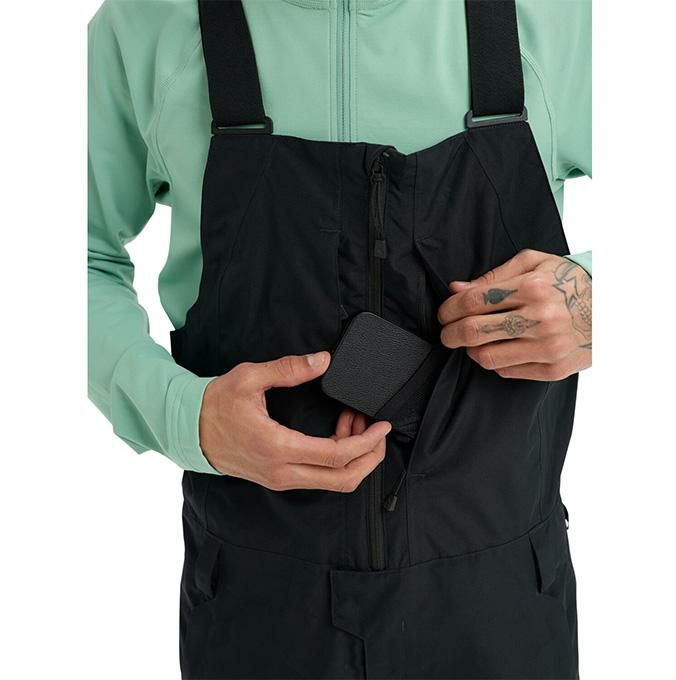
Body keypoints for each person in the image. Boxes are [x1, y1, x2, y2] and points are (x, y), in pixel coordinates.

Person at [88, 1, 592, 677]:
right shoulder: (149, 22)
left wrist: (596, 301)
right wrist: (186, 415)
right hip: (256, 610)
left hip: (503, 607)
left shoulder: (564, 16)